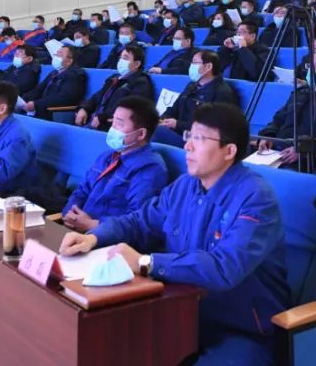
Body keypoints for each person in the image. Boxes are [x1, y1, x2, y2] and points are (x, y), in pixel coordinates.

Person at [59, 103, 289, 365]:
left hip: (239, 328)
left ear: (229, 151)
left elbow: (224, 267)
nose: (188, 146)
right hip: (179, 309)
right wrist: (94, 237)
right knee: (107, 344)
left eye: (199, 139)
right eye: (189, 136)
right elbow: (140, 221)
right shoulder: (186, 185)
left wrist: (146, 262)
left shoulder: (256, 198)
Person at [63, 96, 169, 233]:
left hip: (108, 239)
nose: (112, 129)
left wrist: (93, 225)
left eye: (119, 124)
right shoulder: (106, 157)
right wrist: (69, 214)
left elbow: (137, 220)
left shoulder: (150, 168)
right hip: (75, 229)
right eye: (113, 122)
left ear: (141, 134)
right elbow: (82, 190)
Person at [257, 46, 316, 167]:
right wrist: (267, 137)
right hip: (277, 155)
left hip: (310, 161)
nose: (312, 70)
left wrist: (304, 149)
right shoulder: (301, 92)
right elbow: (278, 120)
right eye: (311, 65)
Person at [155, 51, 239, 147]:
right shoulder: (191, 85)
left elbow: (212, 126)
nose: (191, 66)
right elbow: (174, 107)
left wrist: (178, 124)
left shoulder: (222, 92)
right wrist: (163, 118)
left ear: (208, 66)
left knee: (155, 131)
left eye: (194, 62)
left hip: (197, 140)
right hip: (178, 132)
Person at [76, 44, 155, 129]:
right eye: (120, 57)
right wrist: (84, 108)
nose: (120, 61)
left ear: (137, 64)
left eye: (125, 58)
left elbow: (131, 110)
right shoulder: (114, 78)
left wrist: (104, 117)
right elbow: (97, 96)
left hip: (111, 125)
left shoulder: (141, 83)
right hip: (93, 119)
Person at [20, 44, 88, 119]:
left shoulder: (75, 75)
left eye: (60, 54)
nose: (55, 56)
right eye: (56, 53)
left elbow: (64, 99)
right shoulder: (55, 72)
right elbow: (39, 90)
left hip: (54, 112)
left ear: (69, 61)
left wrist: (35, 104)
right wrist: (22, 99)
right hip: (41, 107)